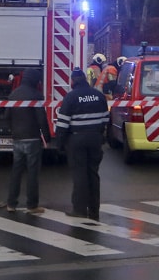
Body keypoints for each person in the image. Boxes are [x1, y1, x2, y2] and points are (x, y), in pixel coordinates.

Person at [56, 67, 110, 221]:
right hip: (95, 139)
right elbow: (106, 119)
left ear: (73, 81)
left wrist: (60, 144)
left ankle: (79, 209)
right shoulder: (99, 96)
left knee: (79, 175)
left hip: (76, 140)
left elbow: (63, 123)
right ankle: (94, 210)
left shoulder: (71, 97)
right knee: (93, 174)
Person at [0, 68, 51, 214]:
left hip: (17, 138)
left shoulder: (13, 94)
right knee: (32, 173)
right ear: (35, 80)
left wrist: (13, 130)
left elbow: (6, 116)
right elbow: (41, 119)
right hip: (32, 138)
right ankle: (32, 205)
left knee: (16, 171)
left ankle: (11, 203)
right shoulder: (36, 95)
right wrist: (46, 137)